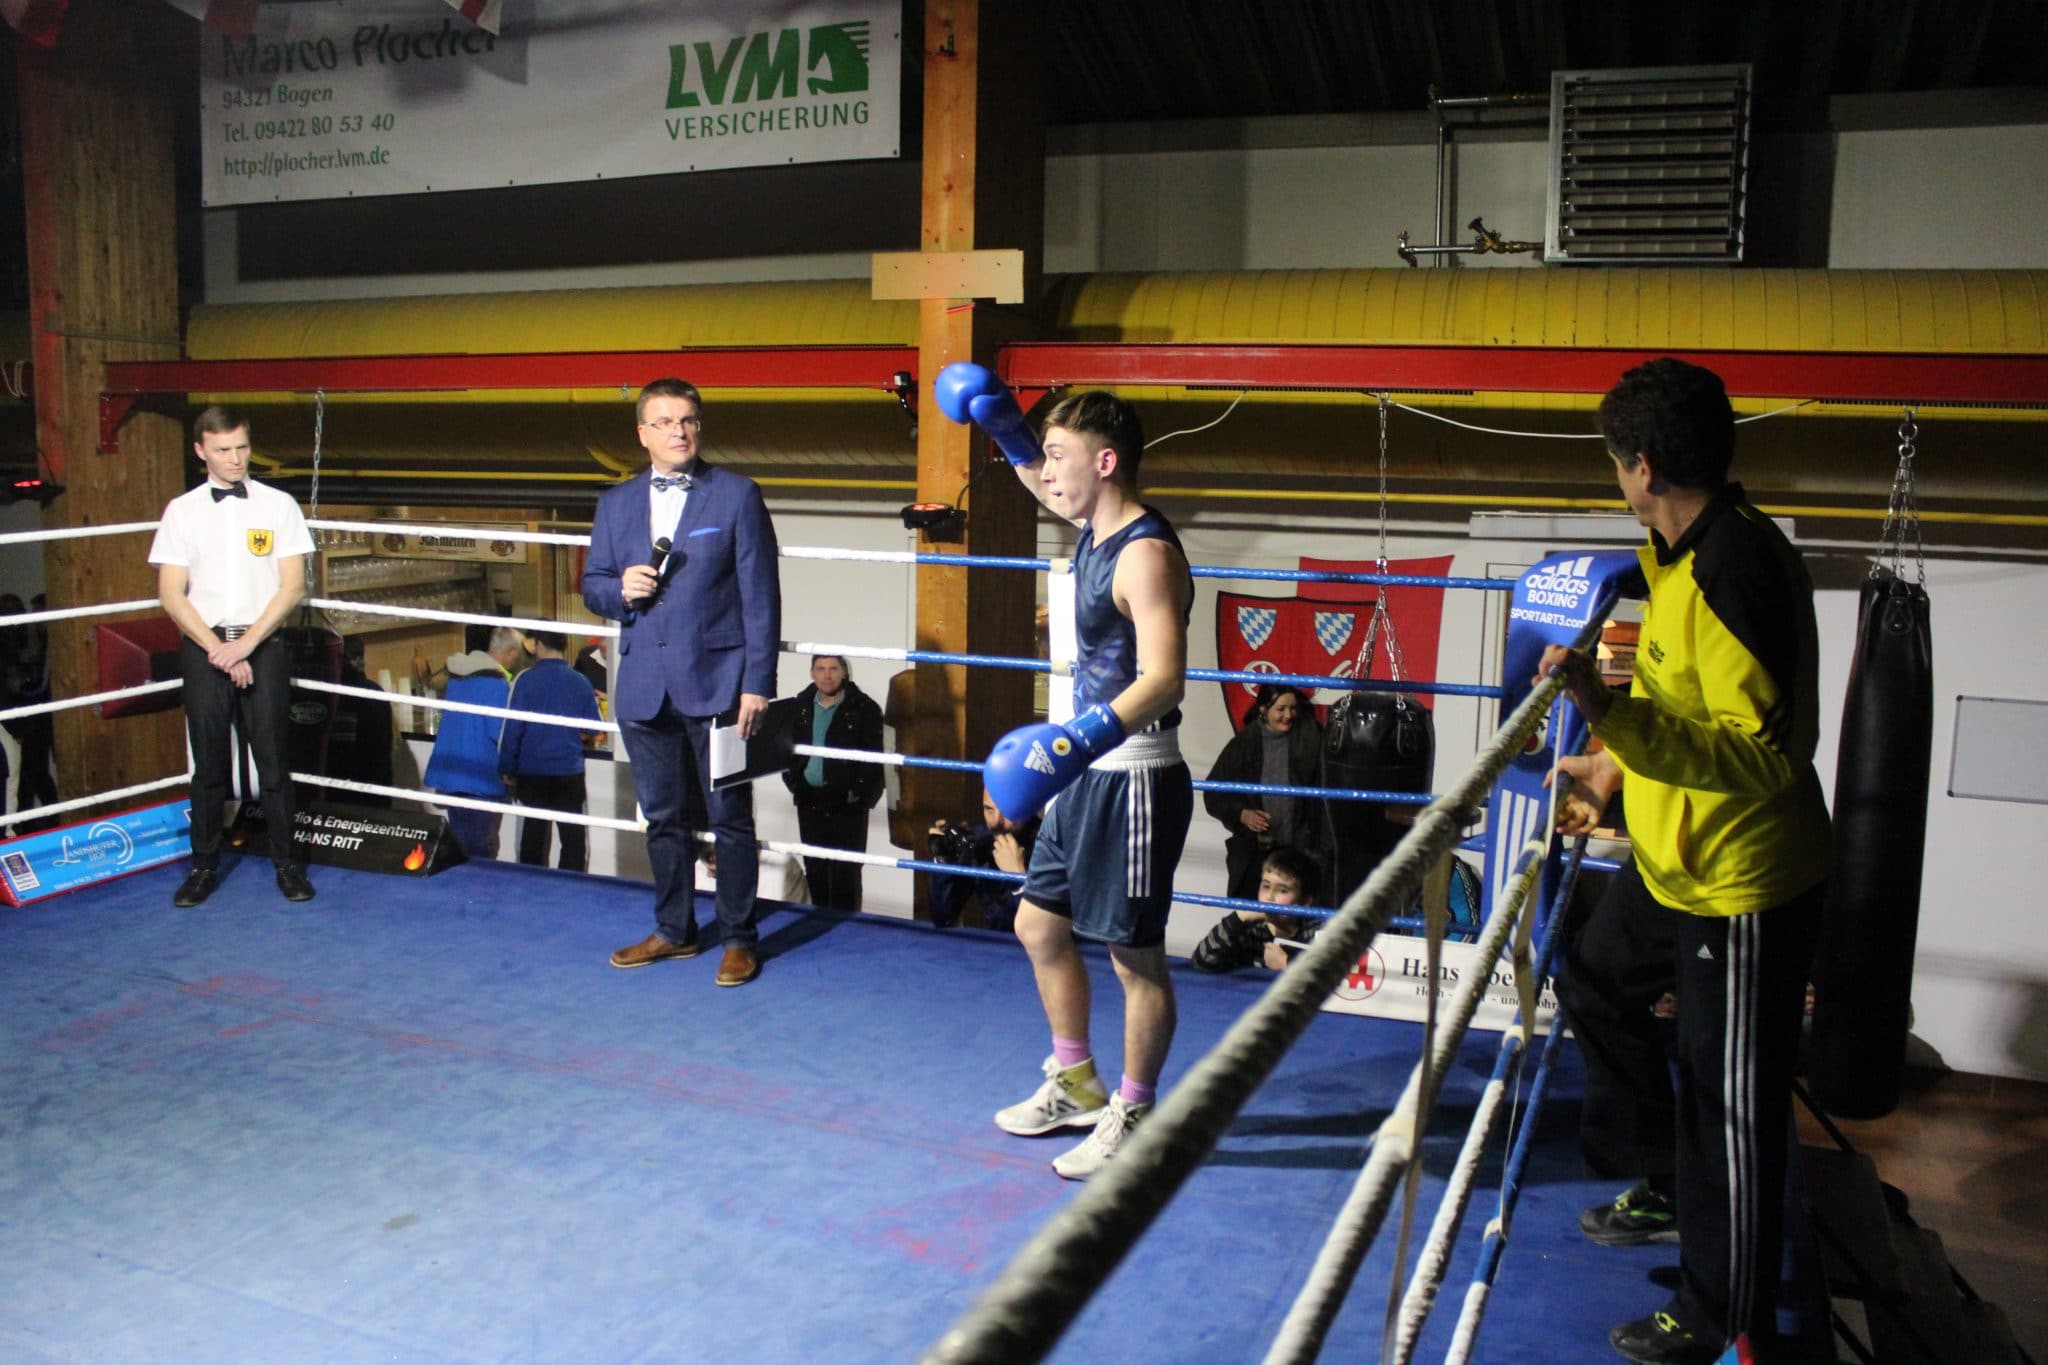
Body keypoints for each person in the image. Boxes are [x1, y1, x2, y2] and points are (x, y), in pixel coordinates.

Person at [1539, 358, 1831, 1365]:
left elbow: (1764, 755)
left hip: (1740, 887)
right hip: (1673, 862)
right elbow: (1681, 704)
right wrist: (1608, 762)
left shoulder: (1732, 571)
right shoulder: (1674, 553)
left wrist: (1608, 711)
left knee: (1726, 1108)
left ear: (1642, 466)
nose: (1616, 477)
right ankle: (1668, 1182)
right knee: (1591, 976)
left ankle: (1718, 1312)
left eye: (1614, 461)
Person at [954, 375, 1195, 1182]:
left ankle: (1137, 1110)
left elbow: (1164, 678)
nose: (1047, 471)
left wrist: (1073, 740)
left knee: (1135, 960)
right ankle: (1077, 1081)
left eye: (1060, 456)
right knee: (1039, 925)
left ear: (1106, 460)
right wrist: (1005, 426)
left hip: (1132, 777)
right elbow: (1035, 476)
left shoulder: (1145, 554)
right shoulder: (1093, 525)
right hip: (1084, 771)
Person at [582, 377, 781, 989]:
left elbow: (761, 597)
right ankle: (674, 929)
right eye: (666, 422)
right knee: (662, 818)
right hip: (644, 685)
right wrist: (620, 591)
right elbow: (592, 584)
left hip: (720, 684)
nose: (680, 431)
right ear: (642, 434)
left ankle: (739, 938)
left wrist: (758, 683)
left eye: (689, 420)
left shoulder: (738, 494)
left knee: (731, 819)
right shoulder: (615, 503)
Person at [147, 405, 317, 906]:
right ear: (201, 451)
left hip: (263, 645)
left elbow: (292, 586)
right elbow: (171, 593)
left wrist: (245, 645)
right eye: (223, 450)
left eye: (242, 447)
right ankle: (203, 868)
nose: (235, 459)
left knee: (274, 762)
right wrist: (220, 649)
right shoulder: (182, 511)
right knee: (208, 765)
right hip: (206, 646)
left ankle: (287, 866)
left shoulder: (279, 505)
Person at [1202, 683, 1329, 903]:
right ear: (1263, 709)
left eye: (1293, 708)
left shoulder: (1311, 739)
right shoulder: (1243, 745)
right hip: (1255, 857)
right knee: (1253, 917)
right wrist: (1242, 814)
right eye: (1281, 709)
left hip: (1301, 855)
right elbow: (1213, 794)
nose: (1288, 715)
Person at [780, 654, 884, 910]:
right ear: (812, 673)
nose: (827, 675)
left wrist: (858, 793)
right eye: (821, 668)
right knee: (814, 869)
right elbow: (784, 749)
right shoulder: (799, 706)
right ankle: (817, 925)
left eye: (833, 669)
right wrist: (794, 783)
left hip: (846, 805)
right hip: (809, 800)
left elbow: (876, 759)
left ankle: (847, 928)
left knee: (846, 874)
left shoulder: (865, 708)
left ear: (844, 673)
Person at [498, 630, 602, 871]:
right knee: (573, 840)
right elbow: (593, 727)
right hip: (568, 770)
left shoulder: (526, 680)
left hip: (532, 771)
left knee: (532, 837)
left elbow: (513, 728)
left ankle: (531, 884)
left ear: (539, 645)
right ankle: (571, 885)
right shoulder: (580, 681)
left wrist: (506, 767)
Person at [423, 627, 522, 860]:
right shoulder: (496, 684)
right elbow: (498, 732)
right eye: (515, 656)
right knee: (482, 850)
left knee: (459, 846)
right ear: (509, 651)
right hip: (481, 777)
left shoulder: (458, 677)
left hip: (452, 772)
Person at [1190, 844, 1322, 973]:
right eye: (1266, 886)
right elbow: (1203, 962)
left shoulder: (1317, 931)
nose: (1269, 897)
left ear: (1305, 901)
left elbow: (1330, 977)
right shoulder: (1249, 928)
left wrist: (1285, 963)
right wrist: (1238, 917)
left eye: (1282, 890)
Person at [926, 787, 1040, 932]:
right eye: (989, 809)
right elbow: (942, 917)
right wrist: (943, 860)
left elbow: (1043, 931)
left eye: (1007, 810)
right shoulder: (981, 840)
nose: (996, 821)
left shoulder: (1052, 846)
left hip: (1034, 945)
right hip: (994, 943)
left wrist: (1018, 878)